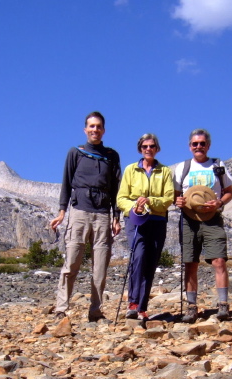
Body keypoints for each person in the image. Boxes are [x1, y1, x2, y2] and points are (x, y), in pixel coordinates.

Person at [50, 111, 121, 322]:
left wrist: (116, 216)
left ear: (104, 130)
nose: (95, 130)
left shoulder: (112, 155)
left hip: (102, 216)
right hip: (79, 212)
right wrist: (62, 211)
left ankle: (96, 311)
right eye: (91, 126)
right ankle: (61, 308)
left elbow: (116, 188)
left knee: (100, 267)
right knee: (71, 262)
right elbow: (66, 182)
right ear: (85, 129)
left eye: (98, 127)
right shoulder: (76, 152)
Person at [174, 129, 232, 323]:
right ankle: (192, 306)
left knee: (219, 261)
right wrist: (179, 202)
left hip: (212, 218)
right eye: (195, 144)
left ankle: (223, 304)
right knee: (190, 263)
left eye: (202, 143)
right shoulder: (183, 168)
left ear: (208, 146)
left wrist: (219, 203)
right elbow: (175, 195)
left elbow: (228, 191)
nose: (198, 147)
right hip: (189, 219)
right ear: (190, 146)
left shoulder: (218, 165)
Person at [116, 134, 174, 321]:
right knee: (138, 257)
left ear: (157, 149)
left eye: (151, 146)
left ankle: (142, 307)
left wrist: (150, 202)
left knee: (151, 262)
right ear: (140, 149)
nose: (148, 149)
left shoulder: (164, 171)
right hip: (136, 220)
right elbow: (121, 198)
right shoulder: (130, 170)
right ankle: (132, 303)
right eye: (144, 146)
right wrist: (135, 206)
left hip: (157, 220)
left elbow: (168, 199)